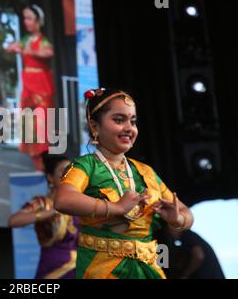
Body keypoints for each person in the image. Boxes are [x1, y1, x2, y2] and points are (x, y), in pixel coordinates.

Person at [54, 88, 194, 279]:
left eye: (133, 121)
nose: (129, 128)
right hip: (102, 267)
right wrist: (116, 208)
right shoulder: (86, 166)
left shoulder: (145, 172)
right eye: (119, 120)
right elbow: (63, 199)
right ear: (94, 126)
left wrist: (177, 220)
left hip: (147, 267)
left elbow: (187, 214)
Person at [8, 153, 78, 279]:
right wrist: (48, 213)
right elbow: (13, 221)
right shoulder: (43, 203)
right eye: (64, 171)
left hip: (78, 268)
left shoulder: (78, 203)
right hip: (53, 269)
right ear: (51, 177)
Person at [7, 4, 55, 171]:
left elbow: (48, 52)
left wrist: (28, 51)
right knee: (29, 124)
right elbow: (11, 47)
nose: (26, 22)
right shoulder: (26, 39)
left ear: (38, 21)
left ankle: (46, 166)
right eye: (25, 18)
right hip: (28, 85)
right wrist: (15, 47)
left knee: (41, 124)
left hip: (41, 84)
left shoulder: (43, 40)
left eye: (29, 18)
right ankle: (38, 167)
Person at [160, 226, 225, 279]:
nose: (167, 232)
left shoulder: (187, 234)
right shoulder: (185, 241)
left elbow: (199, 256)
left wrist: (185, 275)